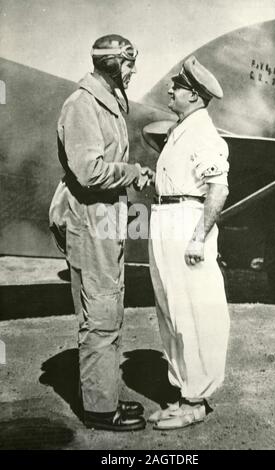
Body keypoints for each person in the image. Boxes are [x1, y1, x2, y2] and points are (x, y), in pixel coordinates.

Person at [49, 34, 154, 431]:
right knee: (100, 313)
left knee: (109, 308)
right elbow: (90, 171)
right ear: (112, 64)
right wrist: (129, 172)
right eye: (128, 64)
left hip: (105, 221)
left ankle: (104, 395)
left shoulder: (105, 101)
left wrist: (130, 174)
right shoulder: (82, 105)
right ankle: (97, 409)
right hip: (90, 223)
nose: (132, 71)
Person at [148, 55, 230, 430]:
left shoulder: (203, 134)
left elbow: (218, 189)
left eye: (177, 86)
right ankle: (183, 392)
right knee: (170, 311)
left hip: (186, 225)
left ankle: (195, 401)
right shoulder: (182, 130)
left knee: (193, 314)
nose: (170, 89)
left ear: (194, 96)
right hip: (166, 218)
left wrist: (199, 237)